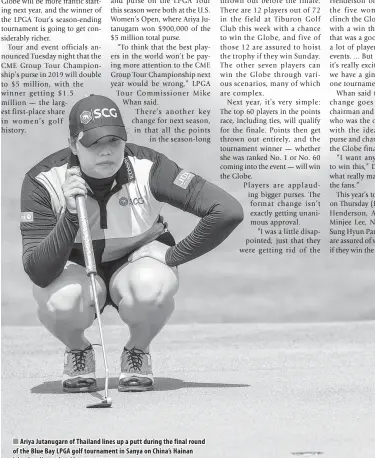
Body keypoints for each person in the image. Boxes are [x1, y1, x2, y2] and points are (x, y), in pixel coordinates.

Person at [20, 94, 243, 393]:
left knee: (152, 287)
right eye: (94, 143)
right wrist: (71, 216)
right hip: (76, 269)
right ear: (73, 144)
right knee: (60, 301)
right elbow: (38, 272)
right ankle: (78, 350)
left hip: (136, 263)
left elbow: (227, 211)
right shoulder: (42, 179)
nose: (106, 152)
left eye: (114, 141)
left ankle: (137, 351)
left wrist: (174, 255)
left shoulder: (149, 167)